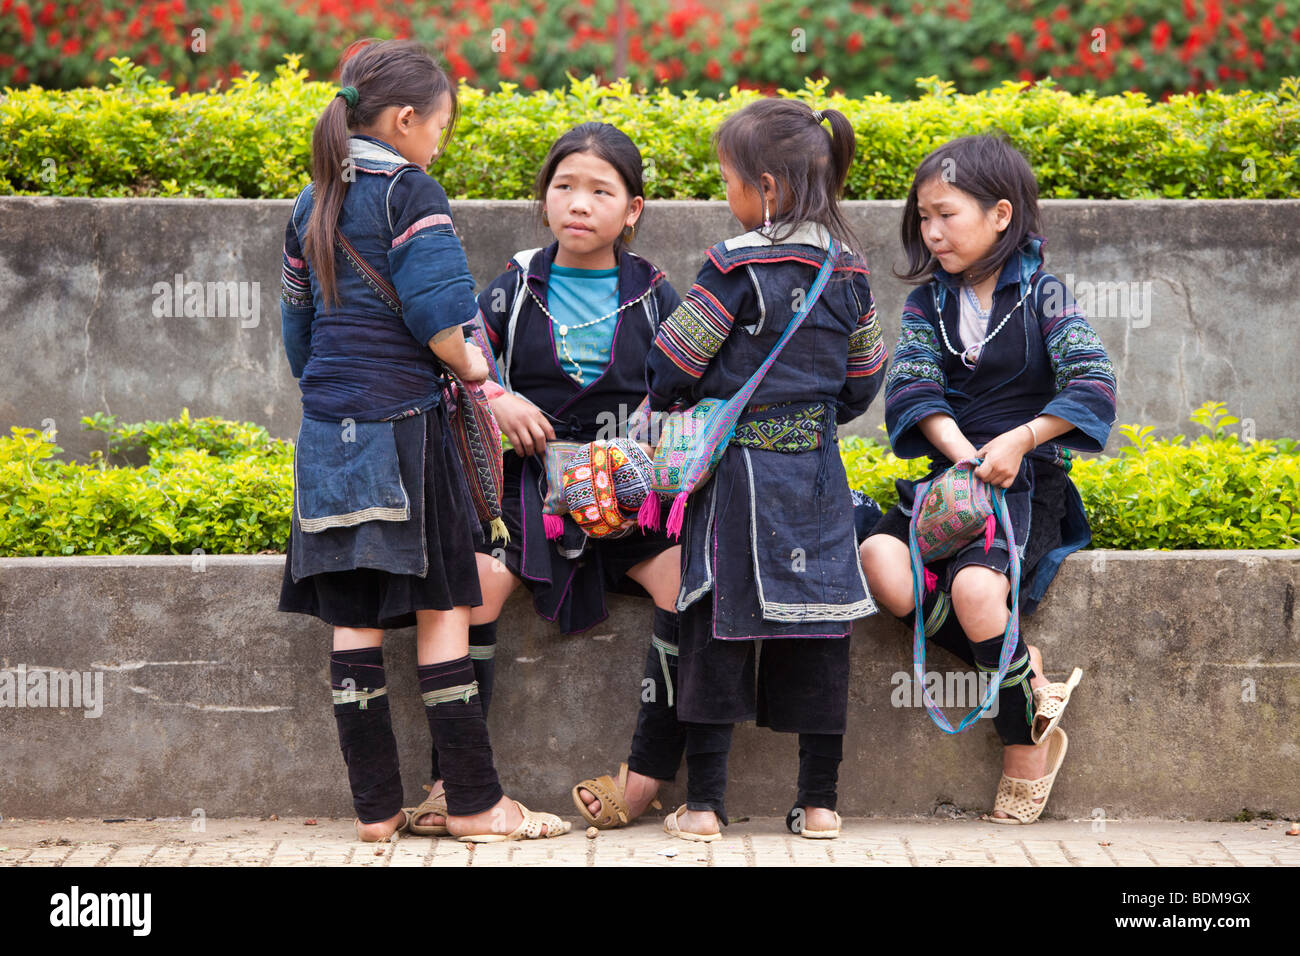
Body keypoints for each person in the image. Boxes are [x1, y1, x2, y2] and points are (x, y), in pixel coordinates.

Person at [277, 37, 568, 843]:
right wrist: (482, 374)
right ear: (405, 120)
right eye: (440, 126)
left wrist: (337, 387)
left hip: (328, 438)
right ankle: (475, 804)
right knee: (445, 607)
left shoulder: (312, 201)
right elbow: (440, 322)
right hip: (408, 428)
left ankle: (375, 811)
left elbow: (297, 333)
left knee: (356, 622)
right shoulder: (410, 191)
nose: (439, 142)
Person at [407, 122, 688, 835]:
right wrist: (498, 398)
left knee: (690, 584)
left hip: (626, 494)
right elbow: (460, 360)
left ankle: (646, 775)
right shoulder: (512, 290)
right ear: (543, 199)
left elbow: (689, 390)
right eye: (564, 187)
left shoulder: (655, 295)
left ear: (634, 210)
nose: (579, 204)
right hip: (528, 490)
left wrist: (639, 451)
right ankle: (454, 783)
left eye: (601, 191)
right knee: (474, 589)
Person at [637, 98, 887, 841]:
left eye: (729, 180)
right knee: (819, 627)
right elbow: (865, 377)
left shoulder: (734, 265)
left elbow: (673, 362)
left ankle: (707, 807)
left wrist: (679, 398)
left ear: (768, 187)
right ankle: (819, 806)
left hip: (739, 477)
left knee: (719, 626)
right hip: (816, 474)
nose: (727, 195)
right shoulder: (850, 272)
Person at [858, 133, 1116, 824]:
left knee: (976, 589)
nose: (932, 231)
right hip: (953, 481)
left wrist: (1021, 438)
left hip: (1027, 482)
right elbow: (912, 390)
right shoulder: (925, 307)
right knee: (881, 562)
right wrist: (964, 450)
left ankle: (1025, 745)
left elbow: (1093, 381)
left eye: (947, 214)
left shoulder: (1044, 294)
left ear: (1001, 214)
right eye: (923, 217)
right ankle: (1025, 670)